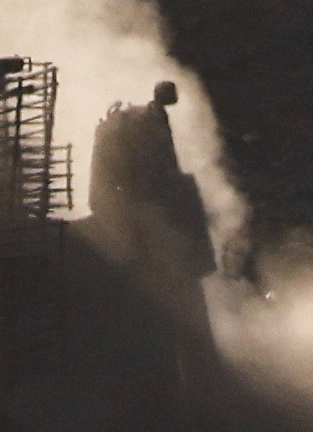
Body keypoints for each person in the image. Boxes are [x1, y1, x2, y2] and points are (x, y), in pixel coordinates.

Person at [84, 77, 220, 295]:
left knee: (185, 190)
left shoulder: (153, 118)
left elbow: (164, 158)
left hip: (149, 186)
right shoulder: (139, 120)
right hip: (139, 188)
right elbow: (145, 160)